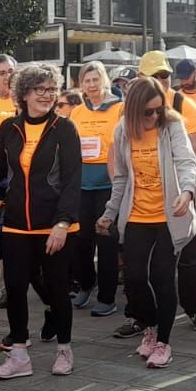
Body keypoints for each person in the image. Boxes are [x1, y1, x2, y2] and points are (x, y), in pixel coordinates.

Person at [0, 63, 82, 379]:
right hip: (15, 223)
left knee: (57, 289)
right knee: (15, 288)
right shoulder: (9, 128)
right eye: (39, 89)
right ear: (24, 93)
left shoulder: (65, 128)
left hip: (53, 224)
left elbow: (72, 180)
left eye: (51, 89)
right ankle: (19, 356)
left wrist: (63, 223)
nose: (46, 95)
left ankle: (64, 350)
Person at [98, 76, 196, 368]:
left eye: (158, 110)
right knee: (135, 279)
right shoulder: (122, 132)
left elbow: (186, 162)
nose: (154, 117)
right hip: (137, 215)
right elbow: (121, 177)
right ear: (133, 110)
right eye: (148, 112)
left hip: (170, 216)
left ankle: (164, 342)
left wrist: (188, 192)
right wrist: (109, 212)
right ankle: (150, 328)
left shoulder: (172, 126)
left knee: (162, 277)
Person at [142, 53, 196, 331]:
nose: (161, 81)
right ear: (141, 78)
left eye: (164, 75)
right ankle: (142, 315)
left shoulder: (184, 104)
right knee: (145, 258)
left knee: (190, 253)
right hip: (145, 195)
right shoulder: (131, 106)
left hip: (179, 189)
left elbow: (195, 149)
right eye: (154, 76)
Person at [70, 61, 124, 317]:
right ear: (81, 84)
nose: (91, 85)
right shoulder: (77, 112)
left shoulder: (119, 108)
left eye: (95, 80)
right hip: (82, 182)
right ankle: (86, 283)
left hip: (109, 182)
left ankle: (107, 296)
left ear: (105, 81)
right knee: (81, 240)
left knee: (107, 241)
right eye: (86, 81)